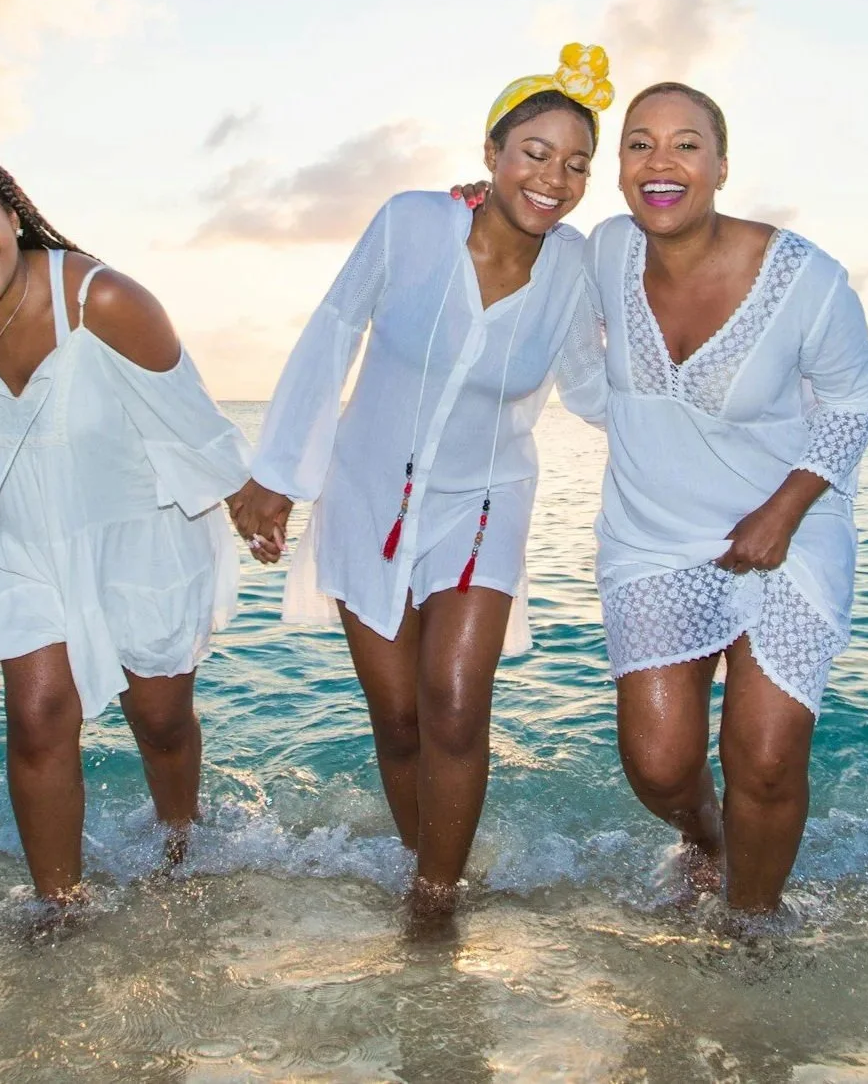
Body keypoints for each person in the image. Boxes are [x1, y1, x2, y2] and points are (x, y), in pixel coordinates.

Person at [456, 81, 868, 914]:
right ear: (617, 169)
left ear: (721, 165)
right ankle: (710, 839)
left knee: (763, 756)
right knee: (657, 764)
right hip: (653, 534)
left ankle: (751, 923)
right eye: (640, 143)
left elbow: (855, 403)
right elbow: (522, 232)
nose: (662, 162)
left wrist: (784, 509)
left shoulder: (805, 277)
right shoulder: (604, 250)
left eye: (686, 144)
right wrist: (472, 204)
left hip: (786, 529)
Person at [230, 44, 613, 917]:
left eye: (577, 163)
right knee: (399, 717)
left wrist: (704, 433)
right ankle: (423, 859)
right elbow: (332, 332)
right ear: (491, 152)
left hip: (486, 500)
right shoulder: (408, 222)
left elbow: (592, 386)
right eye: (535, 152)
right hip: (368, 495)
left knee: (451, 702)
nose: (554, 177)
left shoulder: (576, 266)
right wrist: (279, 475)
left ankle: (435, 904)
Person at [0, 143, 251, 902]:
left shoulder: (106, 300)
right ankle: (57, 907)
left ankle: (182, 844)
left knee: (160, 722)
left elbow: (198, 431)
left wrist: (257, 504)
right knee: (36, 720)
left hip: (142, 536)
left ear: (12, 214)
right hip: (27, 544)